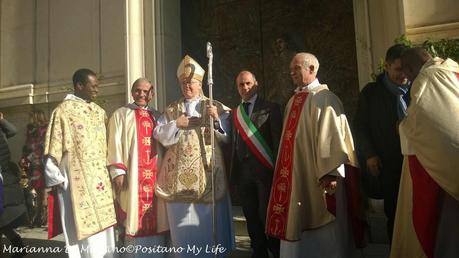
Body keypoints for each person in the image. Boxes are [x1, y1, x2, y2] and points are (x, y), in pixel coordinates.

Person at [265, 53, 362, 258]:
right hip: (296, 178)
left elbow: (332, 137)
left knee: (326, 230)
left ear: (312, 69)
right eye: (290, 68)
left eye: (297, 67)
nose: (291, 72)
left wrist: (331, 172)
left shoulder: (325, 98)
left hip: (321, 178)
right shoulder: (293, 101)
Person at [153, 55, 235, 257]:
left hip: (208, 174)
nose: (187, 86)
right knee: (184, 233)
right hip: (178, 177)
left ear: (200, 84)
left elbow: (227, 137)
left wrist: (216, 120)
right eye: (183, 83)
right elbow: (158, 134)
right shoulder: (172, 109)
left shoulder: (214, 105)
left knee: (208, 226)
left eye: (191, 82)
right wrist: (176, 124)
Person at [390, 48, 459, 258]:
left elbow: (425, 125)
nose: (407, 78)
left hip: (444, 179)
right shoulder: (452, 68)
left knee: (446, 235)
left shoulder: (426, 79)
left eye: (406, 71)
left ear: (411, 68)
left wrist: (402, 127)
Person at [44, 68, 117, 257]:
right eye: (93, 86)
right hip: (75, 180)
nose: (96, 90)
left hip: (100, 179)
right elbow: (54, 145)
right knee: (79, 228)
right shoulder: (63, 111)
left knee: (105, 231)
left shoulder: (99, 112)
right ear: (79, 86)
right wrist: (55, 176)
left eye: (97, 86)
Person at [353, 44, 410, 241]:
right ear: (386, 66)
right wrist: (369, 154)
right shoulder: (371, 93)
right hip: (388, 164)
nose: (403, 75)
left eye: (407, 69)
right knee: (395, 215)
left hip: (417, 162)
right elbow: (360, 127)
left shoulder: (418, 89)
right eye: (398, 69)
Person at [107, 78, 169, 257]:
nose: (141, 94)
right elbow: (114, 143)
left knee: (158, 217)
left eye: (146, 91)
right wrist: (118, 171)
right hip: (132, 178)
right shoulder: (121, 114)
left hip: (157, 177)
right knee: (132, 215)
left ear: (152, 93)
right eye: (137, 90)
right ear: (132, 92)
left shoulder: (158, 116)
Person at [230, 70, 281, 258]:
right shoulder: (236, 113)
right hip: (243, 172)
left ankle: (275, 249)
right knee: (250, 214)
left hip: (265, 171)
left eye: (248, 84)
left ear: (256, 84)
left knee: (266, 214)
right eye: (241, 85)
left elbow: (277, 141)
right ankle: (258, 251)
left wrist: (278, 169)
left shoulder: (271, 108)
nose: (245, 87)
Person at [0, 113, 27, 258]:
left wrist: (2, 120)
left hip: (3, 178)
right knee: (3, 221)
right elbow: (12, 130)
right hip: (4, 177)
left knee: (3, 219)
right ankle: (18, 246)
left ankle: (18, 247)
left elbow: (12, 131)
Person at [19, 109, 49, 227]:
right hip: (33, 164)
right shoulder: (30, 129)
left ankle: (41, 216)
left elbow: (43, 146)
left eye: (31, 116)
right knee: (37, 190)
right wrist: (24, 158)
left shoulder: (46, 128)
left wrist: (30, 156)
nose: (29, 119)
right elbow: (27, 145)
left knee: (42, 191)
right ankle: (40, 215)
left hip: (42, 163)